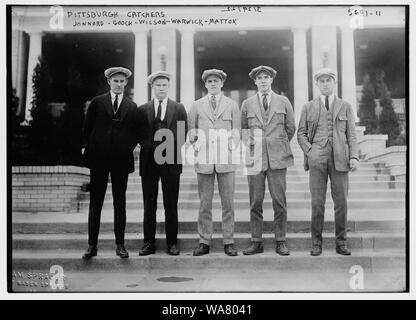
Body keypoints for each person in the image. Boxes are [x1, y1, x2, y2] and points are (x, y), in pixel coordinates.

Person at [82, 67, 146, 259]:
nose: (119, 84)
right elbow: (87, 128)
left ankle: (120, 245)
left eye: (122, 81)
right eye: (115, 81)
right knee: (96, 202)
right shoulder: (97, 102)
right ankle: (92, 245)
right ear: (109, 82)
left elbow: (136, 133)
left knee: (120, 202)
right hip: (99, 159)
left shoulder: (131, 106)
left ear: (126, 83)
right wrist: (92, 148)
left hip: (120, 160)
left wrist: (125, 148)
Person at [297, 67, 359, 256]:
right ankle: (316, 242)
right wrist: (311, 151)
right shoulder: (308, 106)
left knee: (341, 202)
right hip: (317, 160)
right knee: (317, 203)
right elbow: (301, 133)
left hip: (340, 159)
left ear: (334, 83)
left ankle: (341, 242)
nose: (325, 84)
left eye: (328, 80)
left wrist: (354, 156)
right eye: (321, 81)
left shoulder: (345, 106)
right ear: (317, 84)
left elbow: (352, 135)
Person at [241, 65, 296, 256]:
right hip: (255, 158)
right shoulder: (247, 103)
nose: (263, 80)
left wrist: (277, 145)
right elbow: (243, 130)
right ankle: (256, 241)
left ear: (272, 80)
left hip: (278, 157)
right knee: (255, 201)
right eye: (259, 78)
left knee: (279, 201)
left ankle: (281, 240)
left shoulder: (283, 101)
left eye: (266, 77)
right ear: (255, 81)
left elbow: (291, 127)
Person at [188, 69, 241, 256]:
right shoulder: (196, 105)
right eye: (209, 81)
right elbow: (191, 130)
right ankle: (204, 241)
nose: (212, 84)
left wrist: (230, 147)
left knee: (228, 203)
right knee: (205, 203)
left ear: (222, 84)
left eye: (216, 81)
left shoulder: (232, 105)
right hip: (204, 159)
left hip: (226, 160)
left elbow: (237, 131)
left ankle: (229, 241)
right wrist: (197, 144)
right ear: (205, 84)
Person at [138, 71, 187, 256]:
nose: (161, 88)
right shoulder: (143, 109)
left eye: (164, 85)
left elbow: (182, 134)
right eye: (158, 85)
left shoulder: (179, 108)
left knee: (171, 204)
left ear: (168, 87)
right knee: (149, 205)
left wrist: (168, 148)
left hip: (171, 161)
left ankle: (172, 243)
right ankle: (148, 243)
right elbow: (140, 135)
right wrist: (153, 147)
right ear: (153, 87)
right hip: (149, 162)